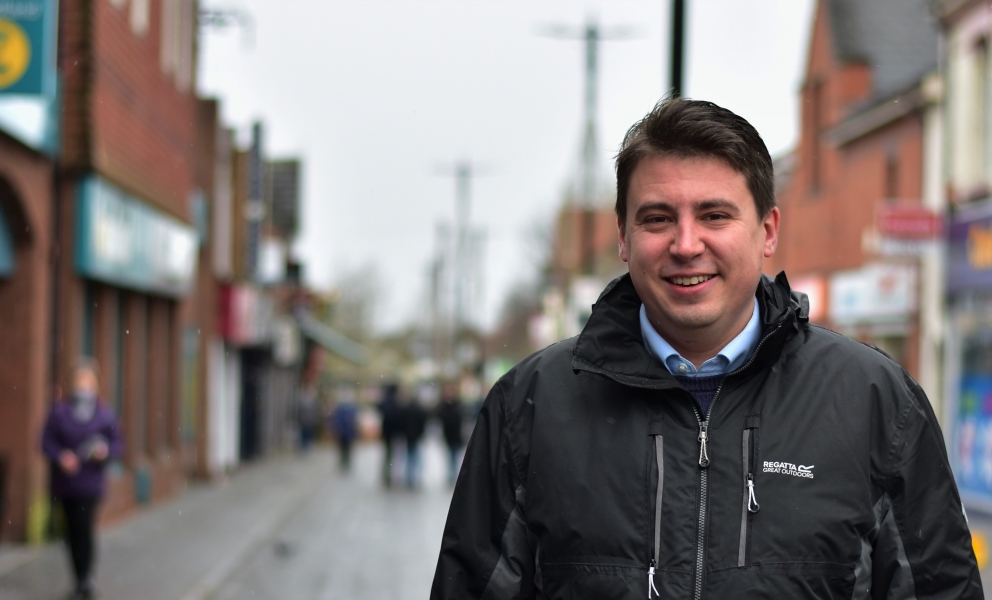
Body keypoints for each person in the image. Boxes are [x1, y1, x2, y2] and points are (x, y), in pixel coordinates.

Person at [431, 98, 983, 598]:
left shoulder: (875, 402)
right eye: (657, 218)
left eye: (715, 215)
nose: (686, 244)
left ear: (767, 231)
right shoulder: (530, 405)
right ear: (623, 237)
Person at [42, 361, 124, 600]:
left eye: (89, 383)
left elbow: (118, 444)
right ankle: (78, 577)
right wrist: (61, 456)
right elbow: (45, 442)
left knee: (84, 528)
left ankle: (85, 579)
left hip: (90, 484)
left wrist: (104, 451)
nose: (84, 387)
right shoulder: (59, 413)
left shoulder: (104, 414)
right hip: (66, 485)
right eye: (81, 382)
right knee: (71, 531)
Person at [435, 383, 464, 485]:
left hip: (455, 435)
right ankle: (451, 475)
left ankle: (453, 475)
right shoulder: (445, 406)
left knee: (454, 456)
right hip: (448, 435)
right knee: (450, 456)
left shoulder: (457, 405)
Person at [400, 392, 428, 489]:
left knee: (409, 457)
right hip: (416, 436)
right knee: (416, 457)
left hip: (408, 436)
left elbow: (402, 422)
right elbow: (423, 423)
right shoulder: (420, 410)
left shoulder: (405, 409)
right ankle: (415, 477)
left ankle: (409, 477)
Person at [378, 383, 402, 487]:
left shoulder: (385, 401)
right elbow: (395, 417)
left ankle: (386, 475)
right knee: (390, 455)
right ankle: (388, 475)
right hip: (392, 432)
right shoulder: (394, 402)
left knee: (388, 454)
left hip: (387, 432)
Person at [329, 393, 359, 472]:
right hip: (345, 433)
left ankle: (345, 463)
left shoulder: (348, 409)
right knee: (344, 449)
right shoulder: (345, 410)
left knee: (345, 449)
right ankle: (344, 463)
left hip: (346, 433)